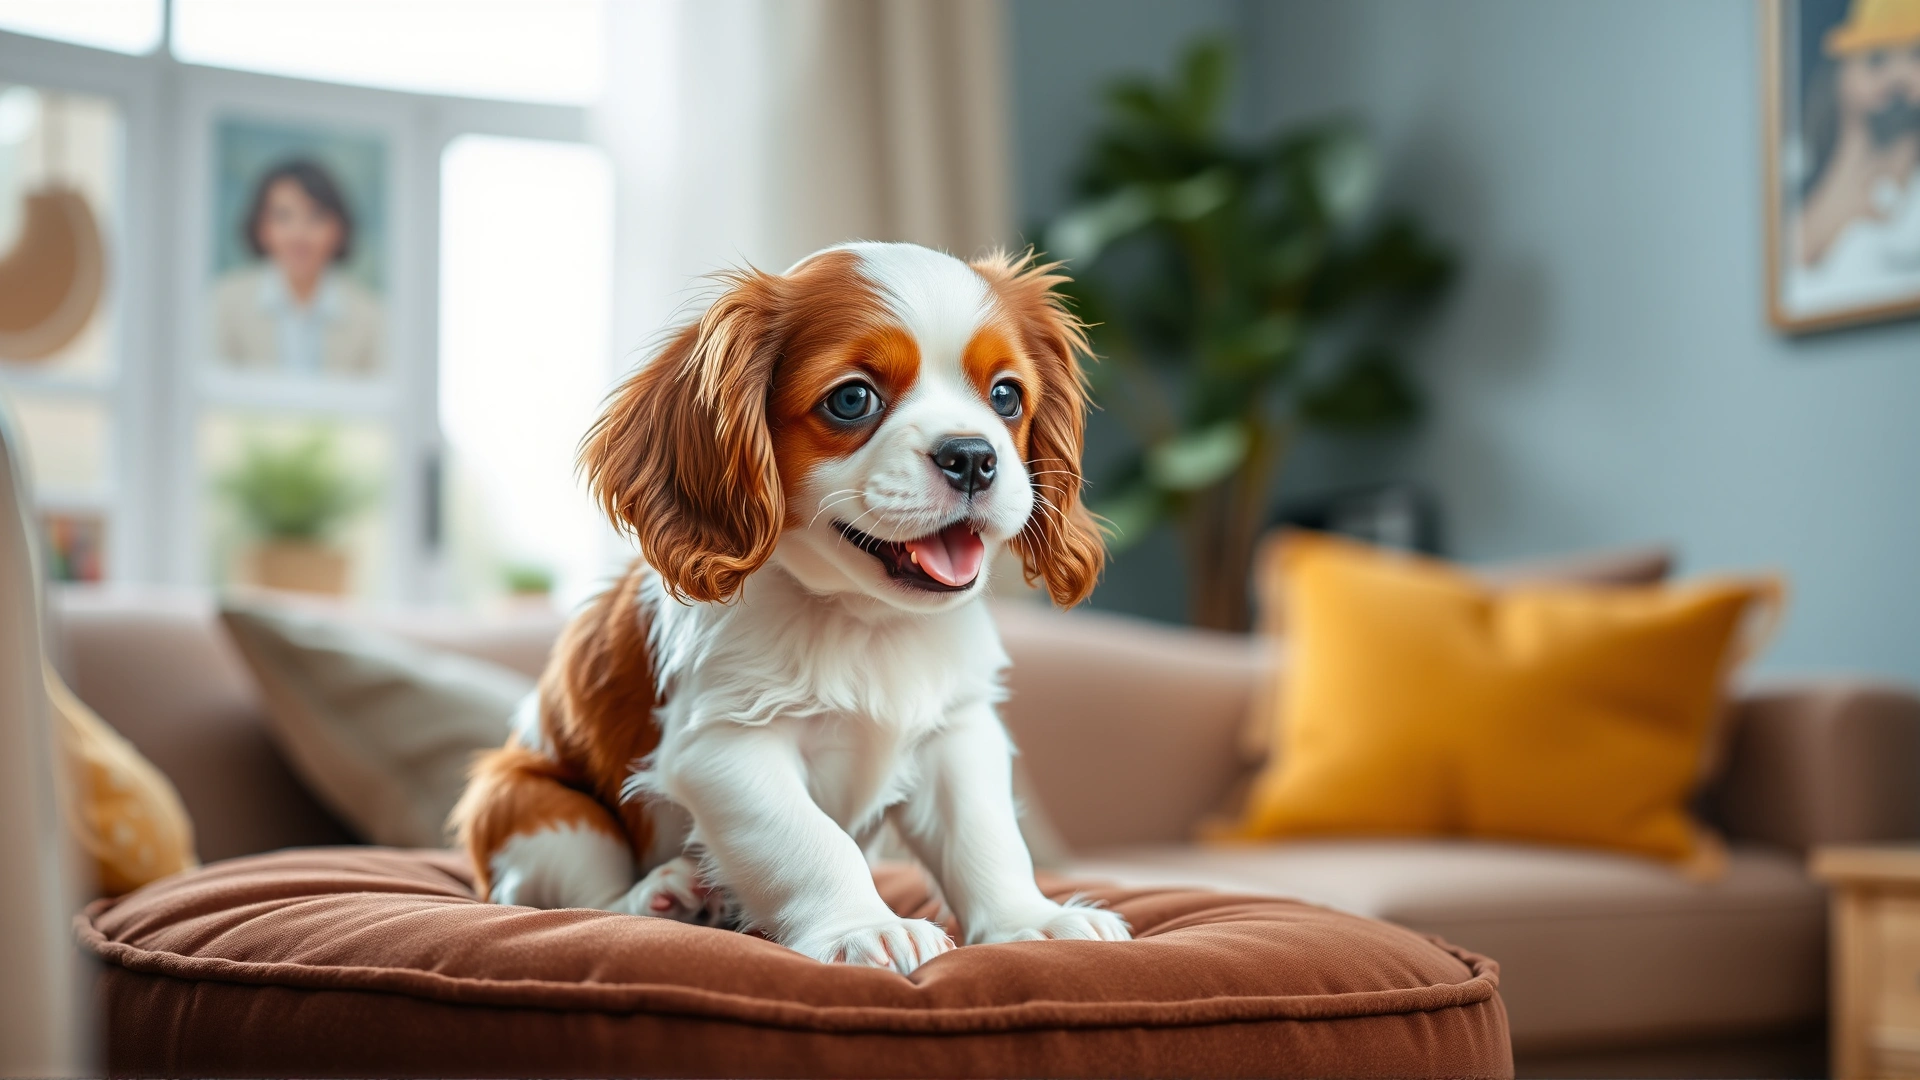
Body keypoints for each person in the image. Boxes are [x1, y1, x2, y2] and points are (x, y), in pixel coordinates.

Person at [1789, 0, 1920, 312]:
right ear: (1839, 75)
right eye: (1877, 59)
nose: (1898, 77)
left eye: (1916, 56)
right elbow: (1797, 253)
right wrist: (1857, 137)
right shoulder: (1796, 166)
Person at [212, 159, 385, 376]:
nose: (299, 234)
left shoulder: (371, 316)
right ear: (261, 227)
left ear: (339, 229)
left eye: (316, 217)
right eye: (283, 216)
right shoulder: (225, 303)